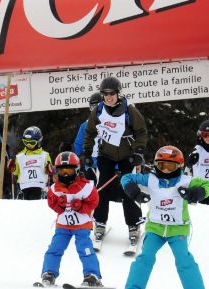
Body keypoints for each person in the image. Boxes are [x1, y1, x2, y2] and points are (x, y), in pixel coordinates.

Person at [121, 145, 209, 289]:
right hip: (154, 229)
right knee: (145, 258)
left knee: (184, 260)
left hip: (178, 229)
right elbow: (127, 178)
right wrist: (134, 192)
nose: (165, 170)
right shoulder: (150, 179)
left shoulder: (185, 181)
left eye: (170, 167)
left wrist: (195, 193)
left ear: (178, 166)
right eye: (162, 165)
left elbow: (208, 185)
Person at [82, 76, 148, 247]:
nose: (109, 97)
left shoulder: (129, 110)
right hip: (106, 155)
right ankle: (100, 223)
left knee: (128, 189)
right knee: (102, 189)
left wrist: (139, 152)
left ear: (118, 94)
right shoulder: (97, 111)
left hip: (127, 156)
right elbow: (90, 133)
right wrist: (87, 153)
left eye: (112, 93)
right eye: (105, 94)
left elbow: (141, 131)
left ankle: (133, 225)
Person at [39, 151, 102, 287]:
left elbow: (94, 202)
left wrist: (81, 207)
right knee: (55, 248)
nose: (66, 174)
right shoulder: (55, 189)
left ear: (77, 170)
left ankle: (92, 275)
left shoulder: (86, 187)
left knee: (84, 249)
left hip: (82, 225)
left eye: (69, 170)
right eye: (62, 171)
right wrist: (60, 206)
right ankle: (48, 273)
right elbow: (51, 203)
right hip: (63, 226)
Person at [9, 126, 52, 200]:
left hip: (39, 186)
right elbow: (16, 172)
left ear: (39, 141)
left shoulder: (44, 155)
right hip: (24, 187)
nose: (29, 145)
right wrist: (12, 167)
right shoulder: (20, 156)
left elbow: (49, 171)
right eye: (26, 142)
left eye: (32, 143)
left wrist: (49, 168)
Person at [74, 92, 102, 182]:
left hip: (108, 161)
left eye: (98, 106)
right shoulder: (85, 125)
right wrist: (74, 158)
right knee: (91, 188)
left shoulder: (113, 122)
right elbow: (78, 144)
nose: (96, 110)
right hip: (91, 162)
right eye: (93, 107)